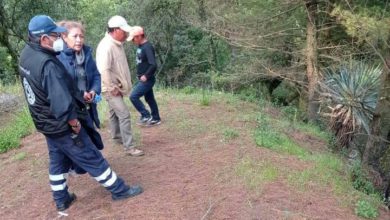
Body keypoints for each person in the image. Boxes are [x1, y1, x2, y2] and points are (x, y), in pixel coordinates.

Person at [19, 15, 143, 212]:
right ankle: (119, 190)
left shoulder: (26, 54)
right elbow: (60, 101)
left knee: (57, 161)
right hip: (61, 124)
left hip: (46, 124)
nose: (59, 39)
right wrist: (74, 123)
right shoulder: (48, 64)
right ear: (43, 39)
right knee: (91, 155)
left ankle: (61, 198)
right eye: (54, 36)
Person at [57, 21, 104, 175]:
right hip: (73, 105)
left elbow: (96, 75)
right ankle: (92, 167)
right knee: (78, 136)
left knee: (90, 130)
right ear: (64, 37)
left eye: (81, 36)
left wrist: (94, 91)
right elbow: (62, 84)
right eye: (75, 36)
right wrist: (79, 94)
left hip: (89, 101)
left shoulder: (87, 54)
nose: (79, 40)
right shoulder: (59, 57)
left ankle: (82, 166)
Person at [96, 16, 144, 156]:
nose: (126, 34)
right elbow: (103, 70)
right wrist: (112, 88)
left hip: (116, 87)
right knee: (124, 114)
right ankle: (129, 147)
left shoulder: (116, 43)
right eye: (123, 31)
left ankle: (117, 137)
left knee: (113, 113)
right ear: (116, 30)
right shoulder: (107, 46)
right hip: (110, 88)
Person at [128, 26, 161, 126]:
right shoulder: (141, 46)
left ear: (138, 36)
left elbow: (153, 64)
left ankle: (145, 115)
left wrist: (146, 76)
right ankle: (156, 118)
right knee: (149, 98)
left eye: (133, 38)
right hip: (143, 78)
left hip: (147, 79)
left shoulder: (147, 47)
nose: (133, 41)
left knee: (133, 96)